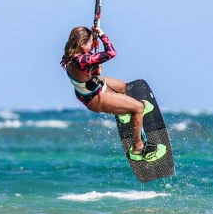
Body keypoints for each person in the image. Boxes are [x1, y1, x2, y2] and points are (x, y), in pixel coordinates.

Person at [60, 26, 165, 162]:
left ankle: (124, 113)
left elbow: (83, 73)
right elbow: (111, 53)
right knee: (139, 108)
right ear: (81, 44)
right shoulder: (81, 60)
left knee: (121, 86)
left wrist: (95, 71)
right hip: (96, 98)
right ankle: (138, 148)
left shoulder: (72, 56)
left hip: (89, 88)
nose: (92, 45)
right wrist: (102, 34)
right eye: (91, 42)